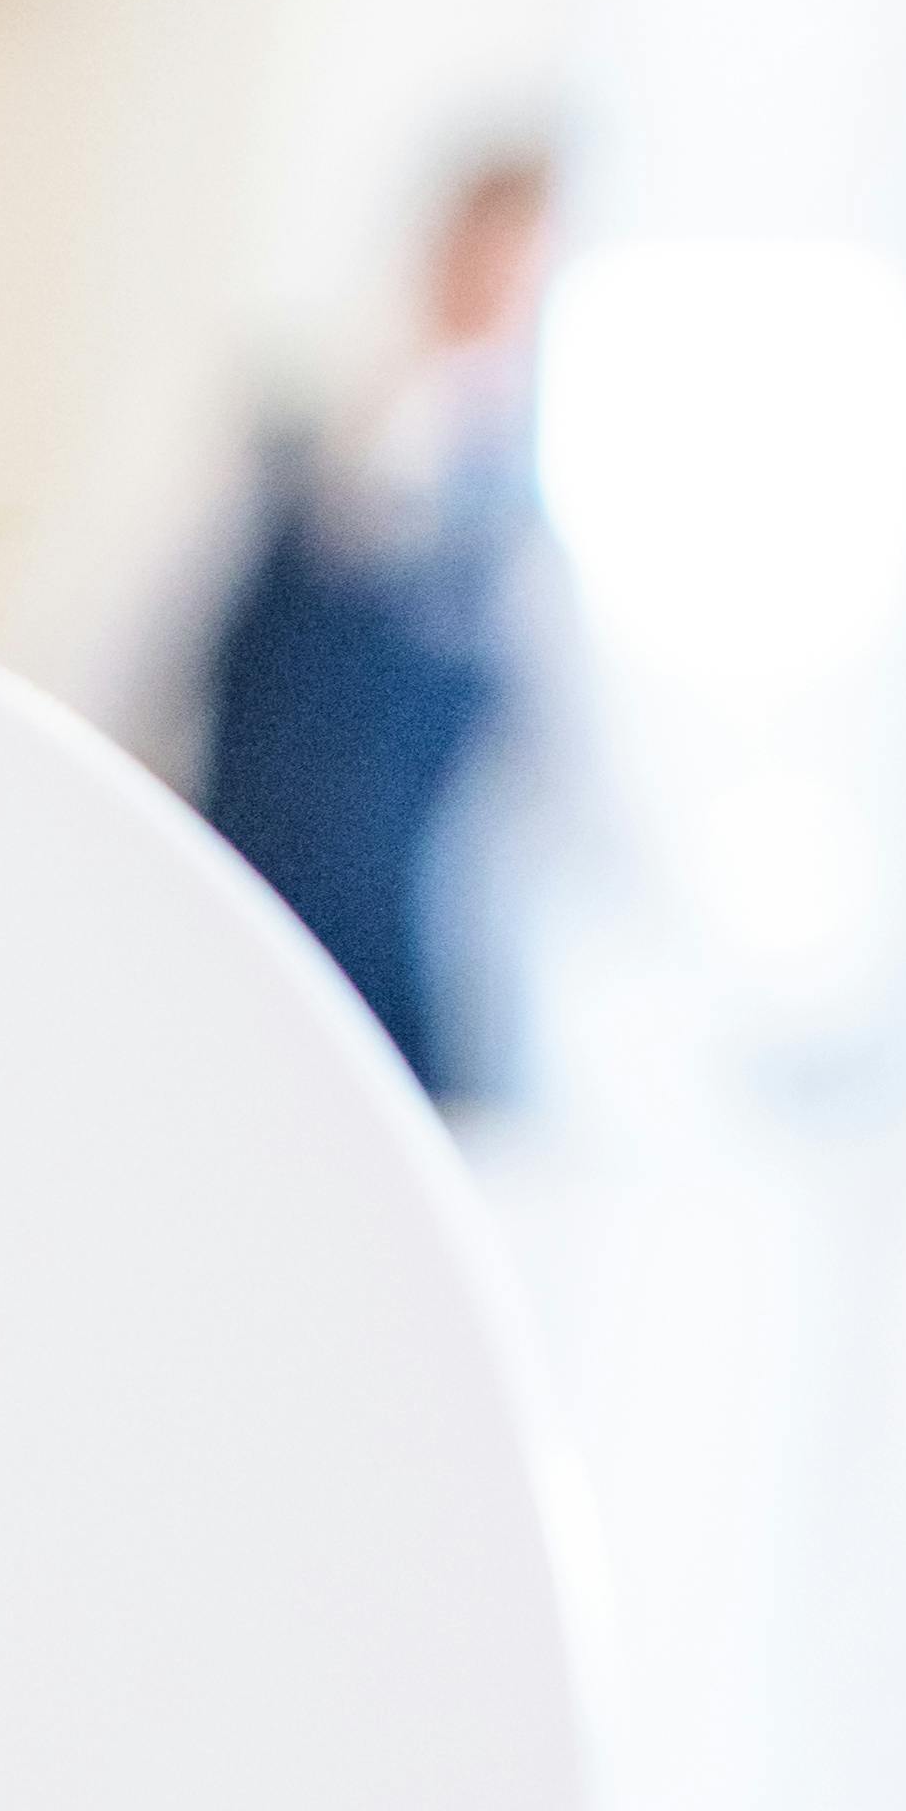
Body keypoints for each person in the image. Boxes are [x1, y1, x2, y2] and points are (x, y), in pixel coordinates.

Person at [191, 147, 566, 1108]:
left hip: (401, 959)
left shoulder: (521, 532)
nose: (494, 288)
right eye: (483, 253)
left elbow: (549, 776)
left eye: (522, 270)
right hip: (234, 907)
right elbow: (161, 648)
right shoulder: (296, 435)